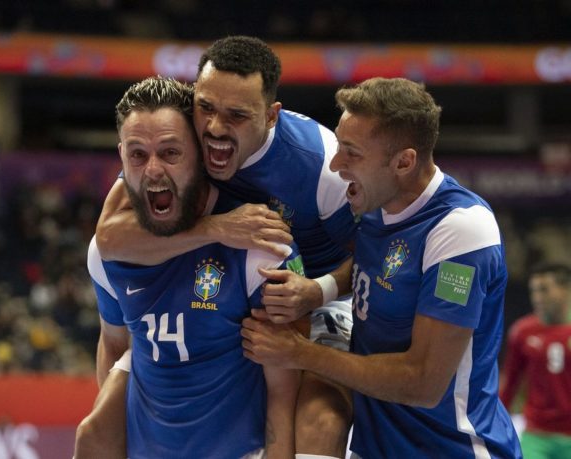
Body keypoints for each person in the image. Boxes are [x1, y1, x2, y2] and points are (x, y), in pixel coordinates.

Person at [91, 35, 357, 459]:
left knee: (319, 422)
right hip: (229, 291)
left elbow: (373, 255)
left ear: (271, 116)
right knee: (96, 429)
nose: (215, 127)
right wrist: (218, 228)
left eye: (236, 115)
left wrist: (319, 289)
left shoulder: (320, 163)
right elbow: (108, 238)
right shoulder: (179, 140)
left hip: (322, 296)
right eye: (207, 107)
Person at [241, 77, 523, 458]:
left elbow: (423, 383)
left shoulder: (460, 231)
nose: (337, 164)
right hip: (379, 448)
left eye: (352, 153)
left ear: (404, 162)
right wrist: (319, 289)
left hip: (453, 449)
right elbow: (373, 264)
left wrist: (301, 353)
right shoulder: (376, 206)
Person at [76, 76, 302, 458]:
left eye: (170, 153)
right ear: (120, 157)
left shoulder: (258, 244)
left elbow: (283, 392)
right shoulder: (107, 252)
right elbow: (114, 345)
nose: (152, 170)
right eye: (137, 154)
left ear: (199, 153)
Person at [500, 262, 571, 458]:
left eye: (544, 290)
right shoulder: (522, 332)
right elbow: (510, 383)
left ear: (565, 289)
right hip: (537, 435)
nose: (537, 298)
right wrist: (496, 423)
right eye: (534, 291)